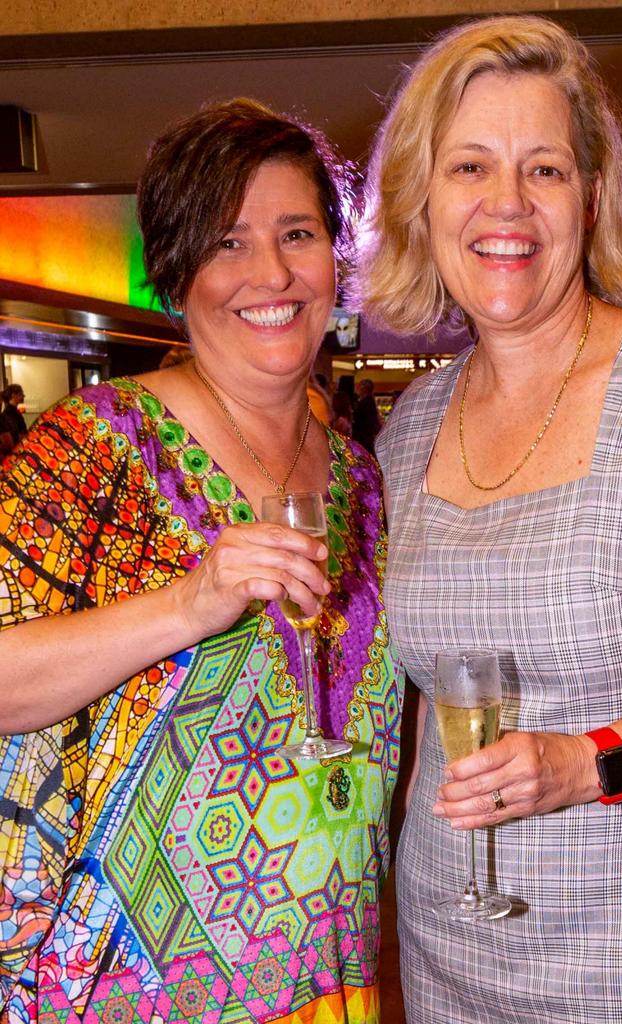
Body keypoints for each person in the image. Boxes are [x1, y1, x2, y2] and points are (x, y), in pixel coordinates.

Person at [355, 15, 622, 1024]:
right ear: (423, 198)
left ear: (590, 196)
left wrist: (587, 760)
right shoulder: (409, 429)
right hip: (446, 939)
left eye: (542, 168)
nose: (506, 204)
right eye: (469, 167)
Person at [0, 98, 403, 1024]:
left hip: (327, 974)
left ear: (335, 262)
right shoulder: (91, 450)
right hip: (125, 989)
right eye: (228, 241)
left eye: (297, 233)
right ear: (177, 271)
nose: (271, 272)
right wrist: (189, 602)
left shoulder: (363, 478)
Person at [351, 378, 381, 454]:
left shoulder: (365, 403)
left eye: (360, 386)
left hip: (363, 438)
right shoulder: (370, 402)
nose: (358, 389)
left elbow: (360, 421)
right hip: (367, 437)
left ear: (364, 389)